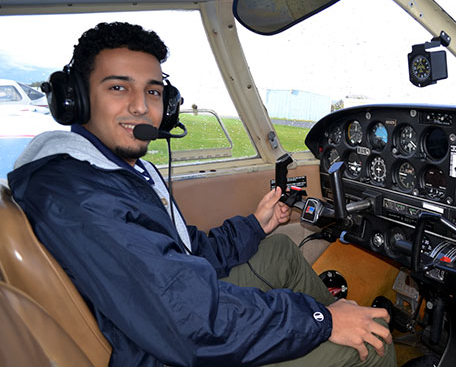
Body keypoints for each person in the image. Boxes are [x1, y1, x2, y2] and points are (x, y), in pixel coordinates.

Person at [8, 22, 396, 366]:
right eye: (118, 87)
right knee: (374, 348)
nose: (142, 106)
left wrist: (254, 226)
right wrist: (320, 322)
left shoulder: (111, 169)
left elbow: (184, 254)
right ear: (76, 98)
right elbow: (190, 323)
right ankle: (345, 334)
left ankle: (344, 325)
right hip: (159, 350)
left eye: (154, 91)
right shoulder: (81, 196)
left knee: (278, 251)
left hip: (161, 322)